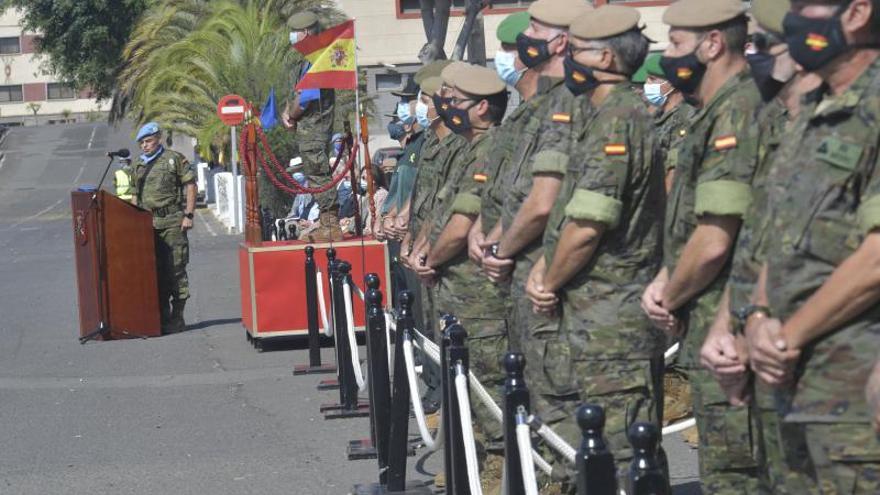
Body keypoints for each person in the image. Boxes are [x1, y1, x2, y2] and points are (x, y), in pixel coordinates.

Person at [741, 0, 880, 491]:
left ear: (858, 13)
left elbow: (876, 258)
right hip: (791, 381)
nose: (794, 20)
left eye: (806, 7)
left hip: (856, 391)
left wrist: (789, 335)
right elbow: (780, 233)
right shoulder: (814, 108)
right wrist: (757, 316)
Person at [522, 6, 664, 486]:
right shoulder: (600, 114)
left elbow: (588, 226)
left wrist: (549, 278)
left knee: (622, 458)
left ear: (604, 56)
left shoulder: (618, 120)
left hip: (613, 319)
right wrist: (546, 267)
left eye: (577, 52)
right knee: (594, 453)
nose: (568, 60)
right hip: (592, 313)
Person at [639, 0, 764, 492]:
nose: (667, 58)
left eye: (675, 44)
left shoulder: (736, 109)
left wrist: (669, 293)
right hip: (711, 317)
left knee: (738, 473)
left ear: (712, 44)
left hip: (732, 322)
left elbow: (716, 238)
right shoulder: (711, 111)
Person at [699, 1, 823, 492]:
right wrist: (734, 324)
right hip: (777, 359)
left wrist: (772, 334)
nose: (760, 60)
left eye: (768, 47)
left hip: (831, 370)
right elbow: (761, 248)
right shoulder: (786, 127)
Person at [415, 65, 509, 487]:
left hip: (479, 294)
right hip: (455, 289)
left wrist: (431, 257)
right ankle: (471, 466)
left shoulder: (488, 148)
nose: (445, 106)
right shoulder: (465, 148)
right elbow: (439, 209)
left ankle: (497, 471)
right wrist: (422, 251)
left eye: (455, 100)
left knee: (486, 386)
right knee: (466, 387)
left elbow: (463, 218)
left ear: (482, 107)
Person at [132, 122, 196, 334]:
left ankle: (177, 318)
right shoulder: (138, 166)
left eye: (148, 141)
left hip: (172, 222)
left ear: (158, 138)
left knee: (176, 271)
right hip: (148, 225)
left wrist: (188, 214)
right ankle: (161, 317)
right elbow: (135, 196)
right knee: (154, 273)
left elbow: (190, 185)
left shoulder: (173, 159)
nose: (144, 146)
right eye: (141, 142)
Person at [285, 11, 337, 236]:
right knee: (316, 176)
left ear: (305, 33)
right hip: (310, 132)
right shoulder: (309, 61)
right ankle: (326, 223)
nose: (292, 37)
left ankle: (331, 224)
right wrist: (287, 112)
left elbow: (305, 99)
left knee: (318, 176)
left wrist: (293, 115)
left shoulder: (317, 61)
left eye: (294, 32)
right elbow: (299, 95)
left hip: (314, 132)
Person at [632, 53, 693, 193]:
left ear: (671, 83)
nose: (647, 84)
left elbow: (675, 171)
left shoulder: (684, 117)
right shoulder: (657, 116)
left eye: (652, 79)